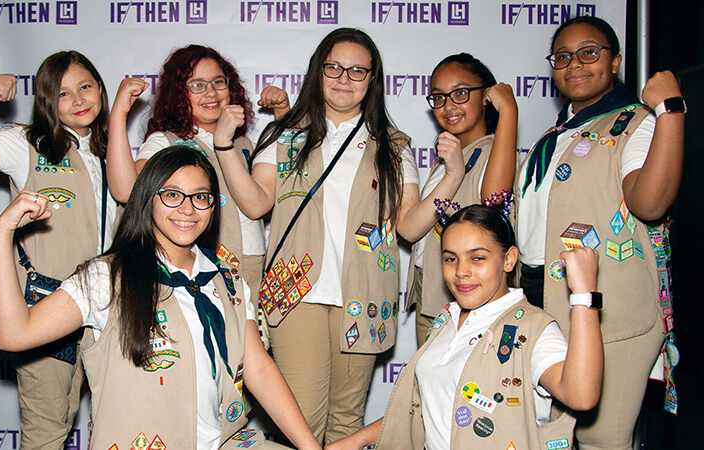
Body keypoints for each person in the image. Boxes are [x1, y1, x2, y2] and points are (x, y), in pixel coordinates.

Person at [0, 146, 321, 450]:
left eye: (200, 197)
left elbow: (259, 368)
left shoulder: (227, 281)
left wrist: (310, 448)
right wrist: (2, 232)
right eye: (172, 195)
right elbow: (13, 334)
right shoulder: (107, 277)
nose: (188, 209)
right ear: (148, 199)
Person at [213, 27, 441, 444]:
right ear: (318, 71)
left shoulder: (394, 145)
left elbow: (409, 224)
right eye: (334, 67)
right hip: (296, 292)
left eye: (358, 71)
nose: (344, 78)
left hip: (365, 295)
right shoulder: (286, 136)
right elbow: (256, 203)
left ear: (373, 79)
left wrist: (452, 177)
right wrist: (225, 148)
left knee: (347, 423)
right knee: (302, 422)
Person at [0, 51, 116, 449]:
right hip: (46, 307)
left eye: (85, 87)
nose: (79, 100)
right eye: (63, 94)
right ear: (47, 100)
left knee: (110, 427)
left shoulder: (110, 152)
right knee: (45, 434)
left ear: (100, 88)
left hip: (107, 312)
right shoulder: (24, 143)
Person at [516, 15, 684, 449]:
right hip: (543, 299)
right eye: (563, 57)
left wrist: (669, 112)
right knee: (550, 436)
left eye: (589, 52)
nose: (574, 64)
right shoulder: (553, 136)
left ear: (616, 62)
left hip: (607, 310)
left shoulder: (635, 123)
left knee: (600, 440)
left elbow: (650, 202)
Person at [325, 205, 604, 450]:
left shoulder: (532, 327)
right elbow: (429, 409)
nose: (461, 271)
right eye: (451, 258)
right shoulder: (445, 321)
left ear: (508, 259)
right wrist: (357, 439)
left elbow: (581, 395)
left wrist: (584, 295)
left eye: (477, 258)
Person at [107, 45, 290, 305]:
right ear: (178, 93)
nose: (211, 93)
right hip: (205, 265)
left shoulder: (244, 144)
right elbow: (126, 191)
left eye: (218, 82)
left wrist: (283, 113)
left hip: (252, 264)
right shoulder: (167, 141)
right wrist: (119, 115)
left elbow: (266, 197)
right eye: (197, 85)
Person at [406, 53, 518, 346]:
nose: (448, 105)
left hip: (472, 302)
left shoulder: (495, 150)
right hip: (432, 296)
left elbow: (494, 201)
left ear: (486, 97)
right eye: (439, 97)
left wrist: (508, 111)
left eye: (460, 93)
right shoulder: (445, 159)